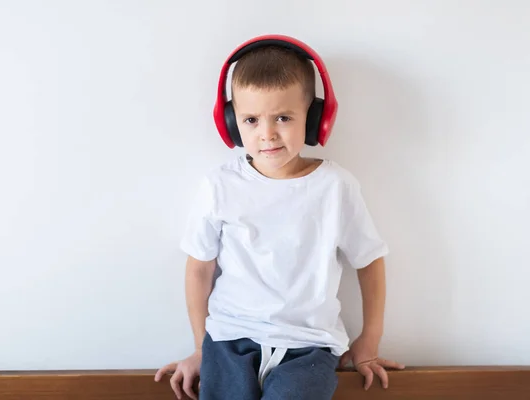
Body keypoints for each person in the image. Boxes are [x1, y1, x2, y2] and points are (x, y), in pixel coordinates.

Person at [155, 34, 404, 400]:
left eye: (283, 117)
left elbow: (369, 261)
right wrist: (200, 348)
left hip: (309, 347)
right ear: (230, 121)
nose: (267, 134)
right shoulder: (220, 185)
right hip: (228, 340)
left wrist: (370, 338)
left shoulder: (336, 187)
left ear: (315, 116)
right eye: (251, 119)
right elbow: (199, 269)